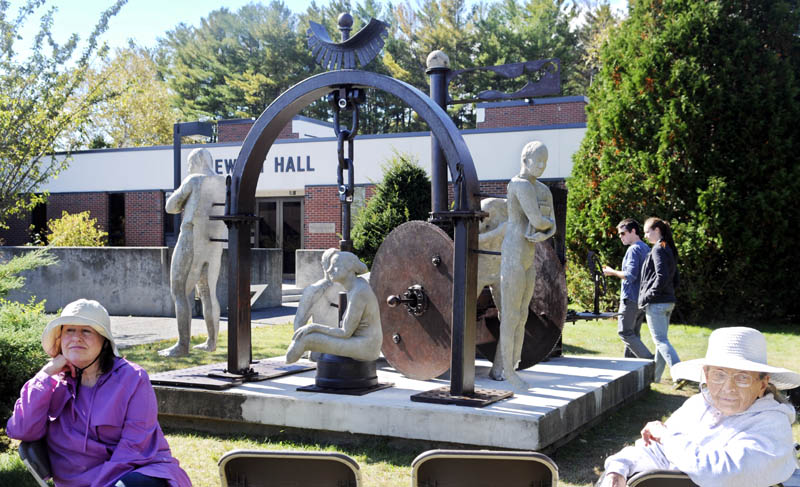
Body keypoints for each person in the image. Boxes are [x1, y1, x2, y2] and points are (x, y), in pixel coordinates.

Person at [6, 299, 192, 487]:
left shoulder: (133, 378)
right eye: (69, 330)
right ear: (60, 338)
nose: (76, 337)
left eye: (86, 331)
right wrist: (44, 374)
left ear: (104, 341)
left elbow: (134, 447)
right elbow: (21, 430)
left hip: (137, 473)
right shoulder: (49, 384)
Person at [599, 326, 800, 487]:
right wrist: (617, 469)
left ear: (762, 384)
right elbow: (654, 450)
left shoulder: (772, 425)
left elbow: (721, 474)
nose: (727, 388)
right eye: (719, 375)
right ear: (706, 375)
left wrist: (667, 437)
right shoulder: (698, 405)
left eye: (742, 378)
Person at [494, 141, 556, 390]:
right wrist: (547, 227)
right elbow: (539, 220)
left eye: (545, 162)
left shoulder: (542, 188)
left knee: (522, 314)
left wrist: (548, 227)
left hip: (528, 255)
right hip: (514, 253)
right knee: (510, 314)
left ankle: (511, 365)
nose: (541, 166)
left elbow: (551, 224)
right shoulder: (519, 184)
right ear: (525, 160)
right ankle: (507, 371)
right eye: (537, 161)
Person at [160, 148, 227, 357]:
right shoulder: (223, 182)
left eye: (190, 163)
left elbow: (170, 206)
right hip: (213, 243)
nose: (188, 168)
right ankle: (211, 341)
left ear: (197, 161)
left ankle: (182, 345)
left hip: (191, 238)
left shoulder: (194, 179)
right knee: (208, 293)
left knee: (179, 291)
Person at [286, 251, 382, 363]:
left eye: (335, 266)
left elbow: (345, 332)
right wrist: (313, 328)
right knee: (307, 336)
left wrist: (313, 327)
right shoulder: (356, 287)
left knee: (308, 340)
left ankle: (288, 362)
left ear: (349, 268)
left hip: (366, 347)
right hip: (360, 342)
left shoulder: (359, 291)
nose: (328, 270)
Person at [603, 219, 653, 359]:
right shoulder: (645, 248)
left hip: (631, 298)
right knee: (633, 335)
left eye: (623, 233)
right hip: (642, 298)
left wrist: (612, 272)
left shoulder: (633, 249)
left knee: (625, 333)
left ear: (633, 231)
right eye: (619, 234)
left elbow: (630, 275)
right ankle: (631, 367)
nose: (620, 236)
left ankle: (650, 362)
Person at [639, 217, 680, 383]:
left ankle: (680, 372)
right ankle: (654, 378)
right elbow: (674, 276)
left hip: (657, 303)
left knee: (661, 340)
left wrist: (649, 295)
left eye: (647, 232)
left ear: (657, 230)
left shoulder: (658, 248)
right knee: (661, 341)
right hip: (668, 301)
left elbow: (661, 276)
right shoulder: (666, 247)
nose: (646, 236)